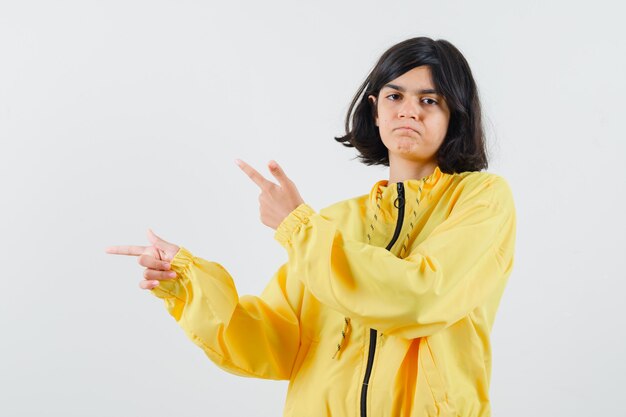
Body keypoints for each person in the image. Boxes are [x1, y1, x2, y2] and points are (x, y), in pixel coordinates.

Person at [107, 37, 516, 417]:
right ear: (375, 110)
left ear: (455, 115)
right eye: (394, 96)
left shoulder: (481, 199)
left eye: (430, 100)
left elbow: (421, 297)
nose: (408, 110)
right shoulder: (334, 224)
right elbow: (276, 343)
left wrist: (296, 225)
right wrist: (187, 279)